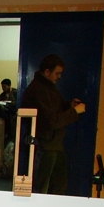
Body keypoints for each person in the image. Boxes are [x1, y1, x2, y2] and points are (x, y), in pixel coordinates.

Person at [20, 54, 86, 194]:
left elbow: (54, 109)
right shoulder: (38, 90)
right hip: (44, 145)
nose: (59, 77)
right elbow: (51, 121)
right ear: (47, 71)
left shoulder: (48, 88)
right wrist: (74, 111)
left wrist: (69, 105)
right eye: (57, 73)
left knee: (57, 187)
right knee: (41, 188)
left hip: (54, 144)